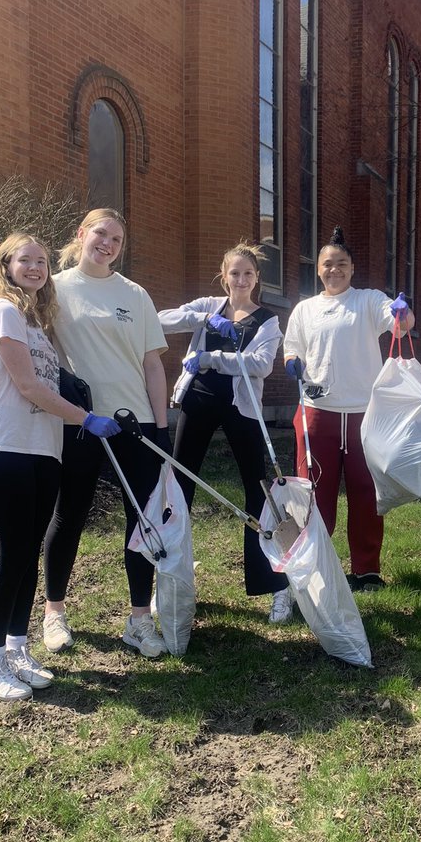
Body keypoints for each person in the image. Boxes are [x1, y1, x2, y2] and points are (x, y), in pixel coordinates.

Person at [0, 234, 121, 700]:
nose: (35, 268)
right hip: (5, 449)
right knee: (13, 554)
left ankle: (17, 649)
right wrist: (85, 419)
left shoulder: (37, 323)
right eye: (25, 260)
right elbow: (28, 386)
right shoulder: (2, 311)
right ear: (6, 265)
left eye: (41, 261)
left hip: (43, 450)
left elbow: (51, 383)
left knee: (28, 552)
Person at [42, 208, 171, 659]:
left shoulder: (134, 295)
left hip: (133, 425)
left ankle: (139, 620)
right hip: (79, 423)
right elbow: (36, 350)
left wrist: (161, 425)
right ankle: (54, 612)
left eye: (117, 239)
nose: (108, 244)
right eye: (101, 233)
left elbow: (153, 364)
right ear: (81, 234)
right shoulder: (53, 288)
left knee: (142, 519)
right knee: (70, 514)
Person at [158, 243, 291, 623]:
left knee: (257, 490)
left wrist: (211, 357)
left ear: (257, 279)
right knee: (180, 485)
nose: (241, 280)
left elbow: (260, 365)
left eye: (248, 274)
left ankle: (276, 587)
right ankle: (170, 580)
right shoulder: (209, 306)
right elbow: (167, 320)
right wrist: (197, 319)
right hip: (198, 401)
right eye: (235, 273)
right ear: (224, 276)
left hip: (241, 408)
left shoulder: (267, 320)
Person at [282, 232, 413, 590]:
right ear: (318, 270)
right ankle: (317, 567)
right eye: (328, 264)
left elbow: (399, 324)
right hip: (316, 410)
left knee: (365, 492)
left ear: (352, 268)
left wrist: (403, 314)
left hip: (363, 413)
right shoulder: (305, 309)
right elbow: (291, 348)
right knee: (314, 492)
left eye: (342, 264)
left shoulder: (368, 301)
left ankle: (366, 569)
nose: (334, 270)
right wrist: (292, 362)